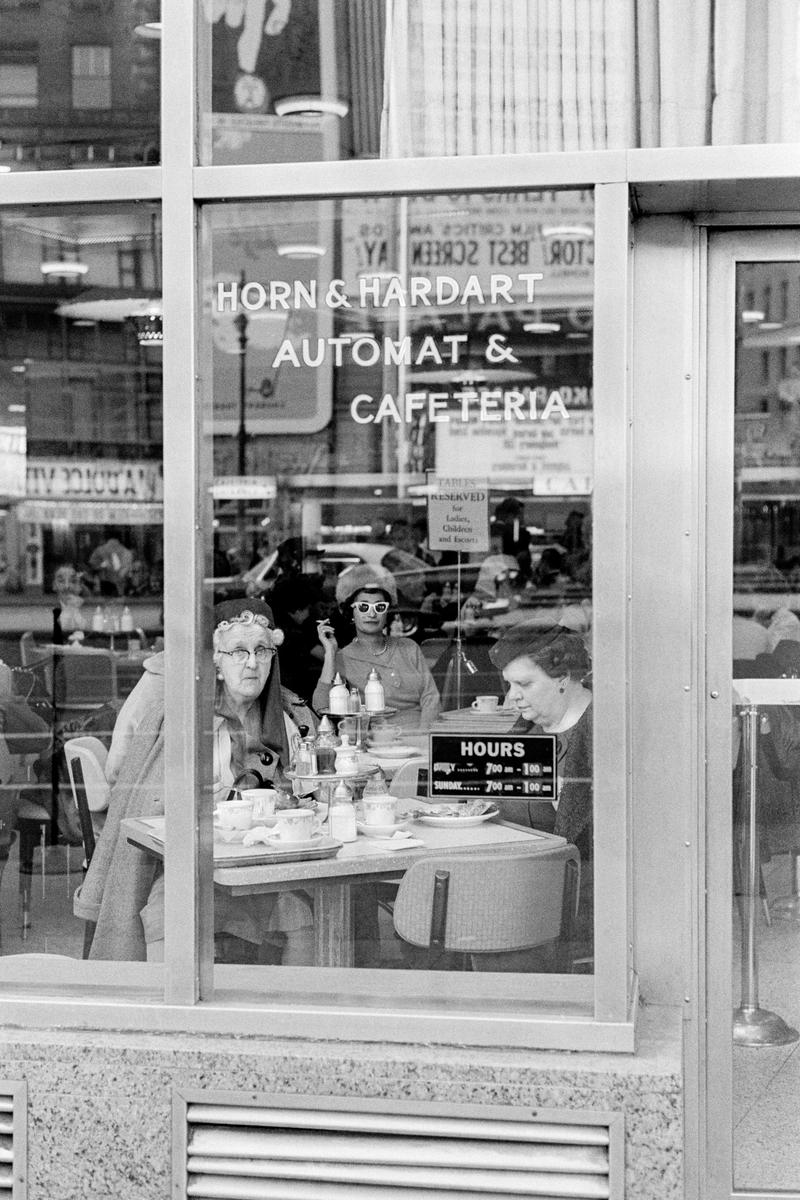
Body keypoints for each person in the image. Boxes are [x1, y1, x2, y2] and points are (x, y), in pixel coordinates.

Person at [76, 598, 315, 963]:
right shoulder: (184, 722)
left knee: (301, 913)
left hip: (266, 868)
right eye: (238, 652)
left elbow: (307, 796)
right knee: (167, 910)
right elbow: (153, 810)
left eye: (262, 650)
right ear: (216, 662)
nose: (252, 663)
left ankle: (293, 1014)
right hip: (188, 865)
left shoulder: (288, 718)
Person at [488, 624, 593, 957]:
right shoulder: (527, 728)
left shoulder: (605, 730)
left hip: (578, 903)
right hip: (512, 890)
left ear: (563, 679)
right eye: (509, 685)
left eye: (524, 684)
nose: (513, 696)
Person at [313, 565, 440, 733]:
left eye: (379, 607)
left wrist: (424, 739)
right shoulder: (342, 658)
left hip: (419, 739)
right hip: (375, 744)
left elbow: (431, 699)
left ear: (387, 612)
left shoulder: (409, 648)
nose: (372, 614)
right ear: (351, 613)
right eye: (363, 607)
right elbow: (320, 707)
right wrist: (330, 653)